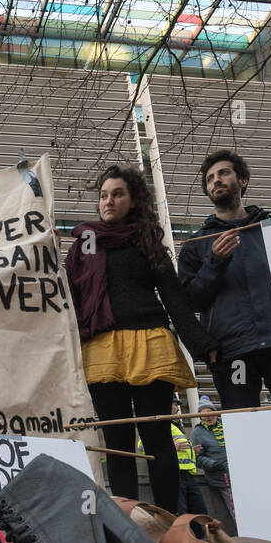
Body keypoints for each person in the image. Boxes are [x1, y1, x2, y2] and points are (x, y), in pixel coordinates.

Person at [66, 165, 217, 509]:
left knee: (157, 440)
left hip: (151, 345)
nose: (108, 201)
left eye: (117, 194)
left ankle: (165, 518)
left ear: (133, 200)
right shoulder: (83, 245)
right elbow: (69, 299)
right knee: (117, 444)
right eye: (104, 195)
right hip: (101, 349)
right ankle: (128, 521)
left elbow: (174, 299)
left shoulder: (147, 240)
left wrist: (202, 345)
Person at [178, 150, 271, 410]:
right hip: (233, 351)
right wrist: (214, 262)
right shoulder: (197, 245)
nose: (216, 180)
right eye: (210, 178)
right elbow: (191, 300)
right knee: (244, 432)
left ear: (243, 181)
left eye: (224, 173)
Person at [192, 396, 233, 517]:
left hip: (239, 476)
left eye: (210, 412)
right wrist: (213, 464)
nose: (208, 417)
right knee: (235, 511)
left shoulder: (226, 426)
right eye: (204, 414)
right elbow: (196, 458)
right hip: (221, 478)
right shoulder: (198, 433)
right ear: (200, 417)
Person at [170, 401, 209, 515]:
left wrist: (192, 450)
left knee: (200, 512)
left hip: (188, 475)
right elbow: (142, 446)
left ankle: (199, 533)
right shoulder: (161, 425)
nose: (177, 408)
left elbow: (179, 448)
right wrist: (169, 447)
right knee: (182, 513)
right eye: (175, 404)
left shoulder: (175, 425)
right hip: (175, 475)